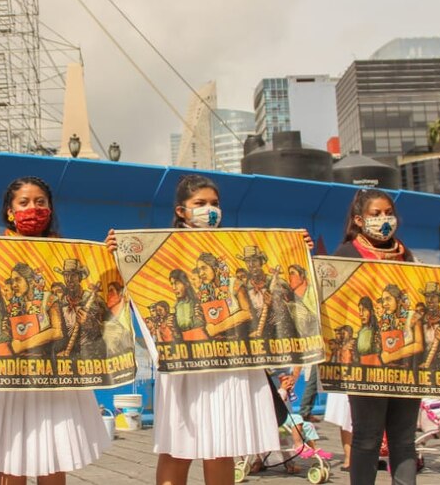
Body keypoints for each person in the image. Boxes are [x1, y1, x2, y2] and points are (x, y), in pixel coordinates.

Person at [107, 174, 305, 485]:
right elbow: (138, 293)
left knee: (221, 448)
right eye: (199, 204)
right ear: (181, 211)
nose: (209, 210)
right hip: (185, 366)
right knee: (177, 447)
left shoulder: (233, 249)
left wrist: (298, 249)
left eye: (214, 203)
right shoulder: (161, 250)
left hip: (229, 363)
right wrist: (118, 255)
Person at [0, 176, 109, 485]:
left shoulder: (64, 252)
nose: (34, 208)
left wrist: (113, 253)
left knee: (52, 456)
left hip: (53, 376)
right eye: (25, 202)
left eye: (41, 202)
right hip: (7, 378)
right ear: (9, 211)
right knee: (10, 460)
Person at [332, 188, 418, 485]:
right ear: (358, 219)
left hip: (405, 363)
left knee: (405, 441)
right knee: (367, 440)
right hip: (366, 363)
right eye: (375, 214)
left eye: (388, 213)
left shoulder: (406, 254)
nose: (384, 219)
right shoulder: (346, 254)